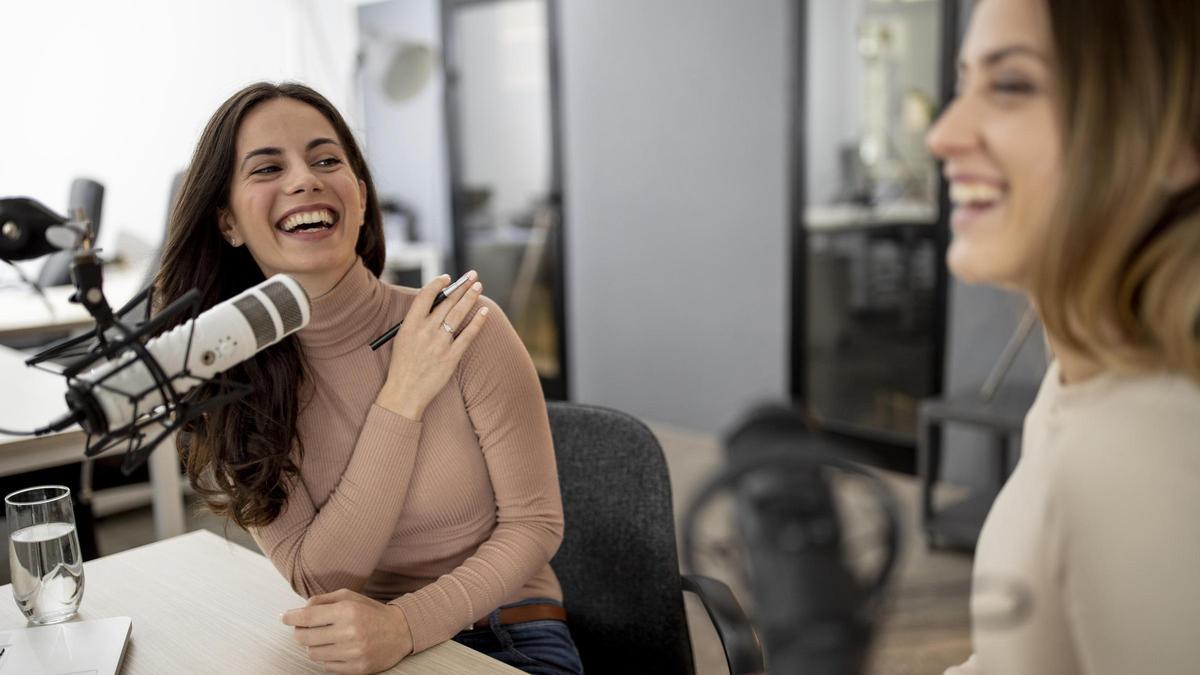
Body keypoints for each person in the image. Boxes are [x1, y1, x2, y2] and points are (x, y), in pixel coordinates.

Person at [154, 82, 584, 675]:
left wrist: (405, 625)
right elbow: (319, 576)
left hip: (504, 630)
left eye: (326, 160)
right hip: (353, 642)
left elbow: (535, 525)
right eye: (268, 167)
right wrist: (402, 397)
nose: (304, 179)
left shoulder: (461, 326)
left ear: (358, 197)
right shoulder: (229, 381)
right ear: (227, 222)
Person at [926, 0, 1200, 672]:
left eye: (1011, 85)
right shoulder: (1076, 384)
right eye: (964, 85)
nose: (944, 133)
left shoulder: (1147, 448)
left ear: (1170, 142)